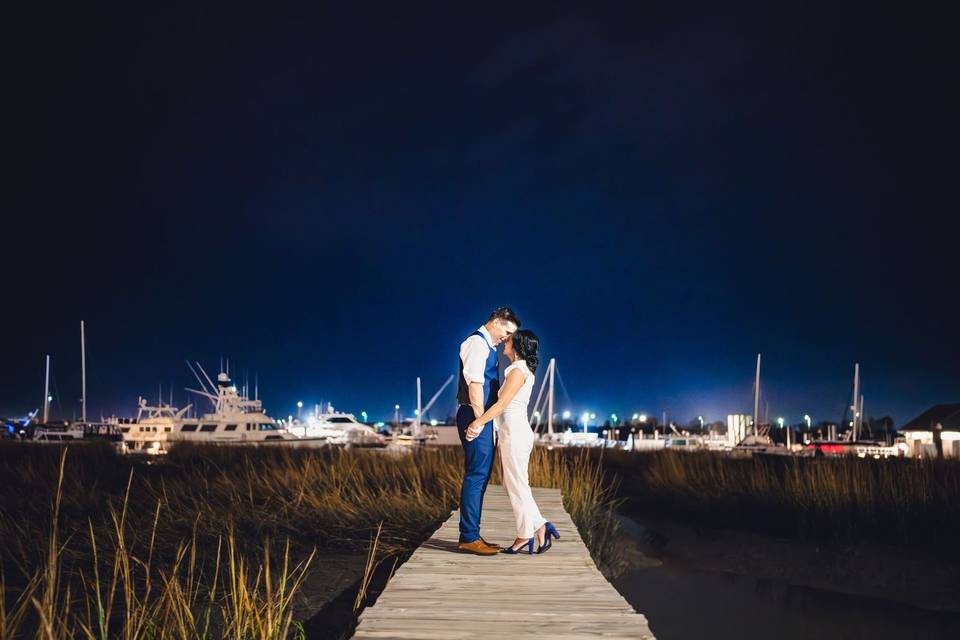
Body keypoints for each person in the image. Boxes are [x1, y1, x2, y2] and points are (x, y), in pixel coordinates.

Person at [467, 329, 559, 554]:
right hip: (512, 432)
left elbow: (501, 405)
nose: (505, 341)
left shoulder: (518, 371)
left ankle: (524, 534)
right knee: (515, 484)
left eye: (509, 340)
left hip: (515, 433)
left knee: (516, 484)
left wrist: (477, 423)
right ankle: (539, 526)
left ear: (517, 347)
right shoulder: (519, 370)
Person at [455, 307, 520, 555]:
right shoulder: (477, 343)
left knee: (480, 477)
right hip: (475, 415)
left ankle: (472, 534)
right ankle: (469, 537)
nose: (507, 337)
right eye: (506, 330)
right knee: (475, 476)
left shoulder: (488, 347)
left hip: (480, 417)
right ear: (494, 322)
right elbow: (475, 385)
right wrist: (480, 420)